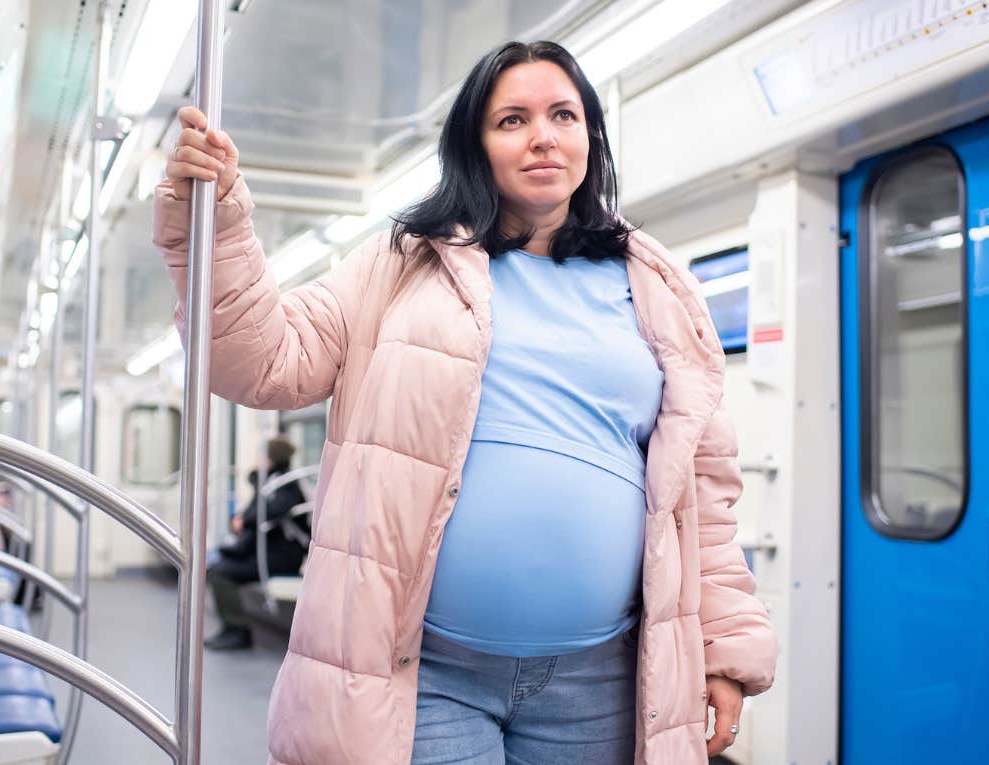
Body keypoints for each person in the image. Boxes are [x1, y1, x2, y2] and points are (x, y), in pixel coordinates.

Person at [156, 40, 776, 765]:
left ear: (590, 137)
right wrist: (220, 225)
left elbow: (702, 493)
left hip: (602, 680)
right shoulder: (400, 264)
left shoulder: (661, 287)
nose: (543, 135)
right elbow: (262, 365)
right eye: (512, 119)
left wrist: (724, 649)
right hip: (427, 672)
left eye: (563, 115)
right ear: (474, 146)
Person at [204, 436, 308, 651]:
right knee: (216, 566)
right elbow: (253, 510)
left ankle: (237, 631)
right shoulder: (268, 482)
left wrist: (245, 519)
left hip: (281, 556)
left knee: (220, 572)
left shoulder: (285, 483)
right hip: (267, 552)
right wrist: (240, 519)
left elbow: (273, 509)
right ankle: (231, 628)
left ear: (270, 459)